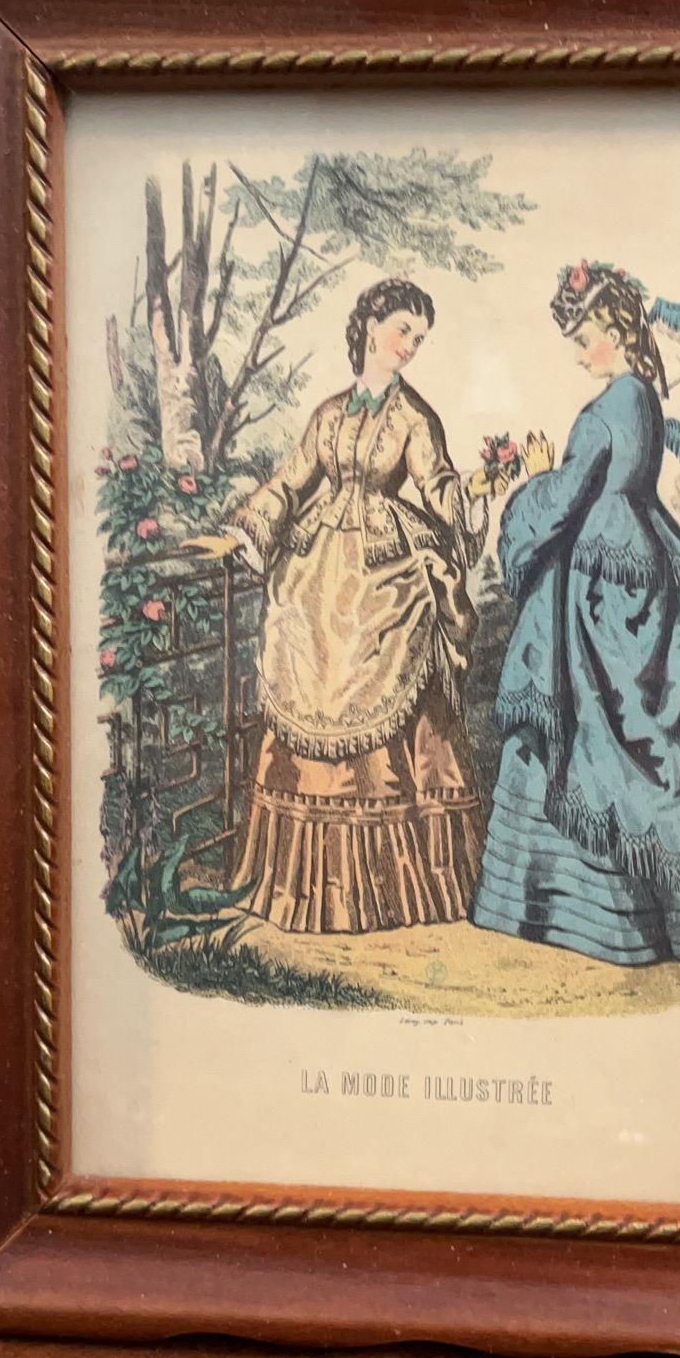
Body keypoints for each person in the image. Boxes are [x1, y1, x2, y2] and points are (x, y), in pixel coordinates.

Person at [471, 259, 680, 967]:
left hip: (596, 586)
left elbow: (571, 493)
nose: (578, 351)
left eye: (583, 335)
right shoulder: (644, 397)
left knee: (589, 736)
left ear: (613, 330)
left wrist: (532, 479)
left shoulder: (612, 403)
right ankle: (607, 917)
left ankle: (582, 916)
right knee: (621, 741)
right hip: (638, 565)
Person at [226, 278, 489, 933]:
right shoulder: (329, 414)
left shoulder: (415, 418)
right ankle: (300, 884)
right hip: (319, 569)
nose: (411, 346)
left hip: (386, 574)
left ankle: (392, 888)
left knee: (388, 672)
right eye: (404, 331)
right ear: (371, 327)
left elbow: (438, 483)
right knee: (306, 652)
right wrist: (249, 529)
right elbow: (291, 481)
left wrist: (473, 494)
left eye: (420, 338)